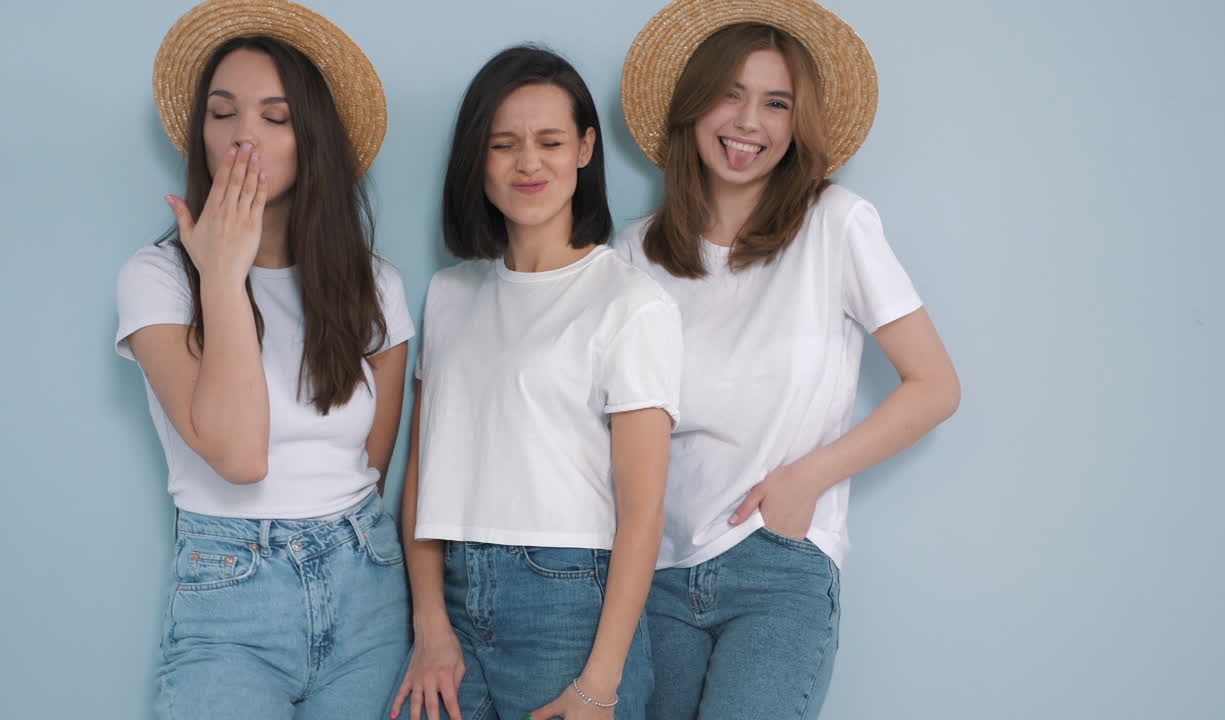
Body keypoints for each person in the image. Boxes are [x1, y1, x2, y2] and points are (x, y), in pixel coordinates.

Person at [615, 1, 963, 717]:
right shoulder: (635, 253)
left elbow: (935, 386)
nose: (749, 122)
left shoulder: (836, 224)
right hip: (657, 573)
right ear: (692, 108)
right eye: (730, 94)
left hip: (777, 564)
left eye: (776, 103)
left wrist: (805, 480)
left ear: (796, 125)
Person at [114, 1, 413, 716]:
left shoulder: (374, 284)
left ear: (312, 139)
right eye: (223, 114)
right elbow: (240, 456)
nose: (243, 136)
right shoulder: (155, 279)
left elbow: (373, 461)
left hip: (367, 580)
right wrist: (221, 272)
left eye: (275, 118)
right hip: (231, 594)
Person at [390, 46, 681, 720]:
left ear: (584, 148)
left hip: (572, 605)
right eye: (504, 144)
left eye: (551, 141)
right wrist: (429, 624)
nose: (529, 163)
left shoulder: (631, 303)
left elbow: (643, 511)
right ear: (478, 158)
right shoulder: (450, 293)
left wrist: (599, 685)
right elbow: (425, 472)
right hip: (452, 598)